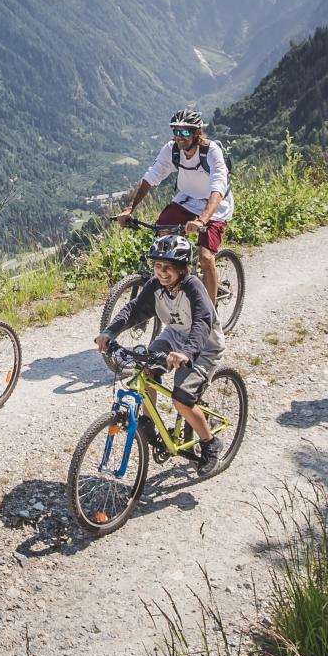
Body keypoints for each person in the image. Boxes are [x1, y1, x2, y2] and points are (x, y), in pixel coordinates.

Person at [95, 233, 225, 476]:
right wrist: (109, 332)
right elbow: (134, 310)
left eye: (168, 268)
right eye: (157, 266)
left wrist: (186, 353)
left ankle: (210, 443)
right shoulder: (156, 286)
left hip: (204, 344)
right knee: (145, 367)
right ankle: (148, 420)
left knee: (182, 399)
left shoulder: (193, 287)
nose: (162, 272)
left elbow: (202, 323)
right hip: (174, 336)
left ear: (182, 269)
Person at [116, 108, 233, 303]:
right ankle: (180, 283)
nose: (180, 137)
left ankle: (209, 319)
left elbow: (217, 189)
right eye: (176, 132)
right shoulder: (172, 150)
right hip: (186, 200)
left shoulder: (211, 151)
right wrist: (130, 208)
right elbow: (150, 178)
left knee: (205, 257)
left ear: (197, 132)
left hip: (215, 207)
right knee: (163, 238)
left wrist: (202, 220)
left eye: (185, 132)